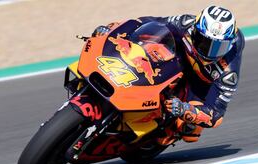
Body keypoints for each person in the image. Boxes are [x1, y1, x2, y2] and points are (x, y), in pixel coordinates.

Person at [92, 5, 245, 145]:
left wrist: (186, 110)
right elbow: (147, 23)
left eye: (218, 47)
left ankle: (161, 132)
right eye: (204, 42)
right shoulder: (186, 23)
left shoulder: (228, 73)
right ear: (195, 31)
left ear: (229, 44)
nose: (209, 52)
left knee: (190, 132)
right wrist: (113, 31)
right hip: (179, 56)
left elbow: (216, 115)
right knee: (149, 43)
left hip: (200, 83)